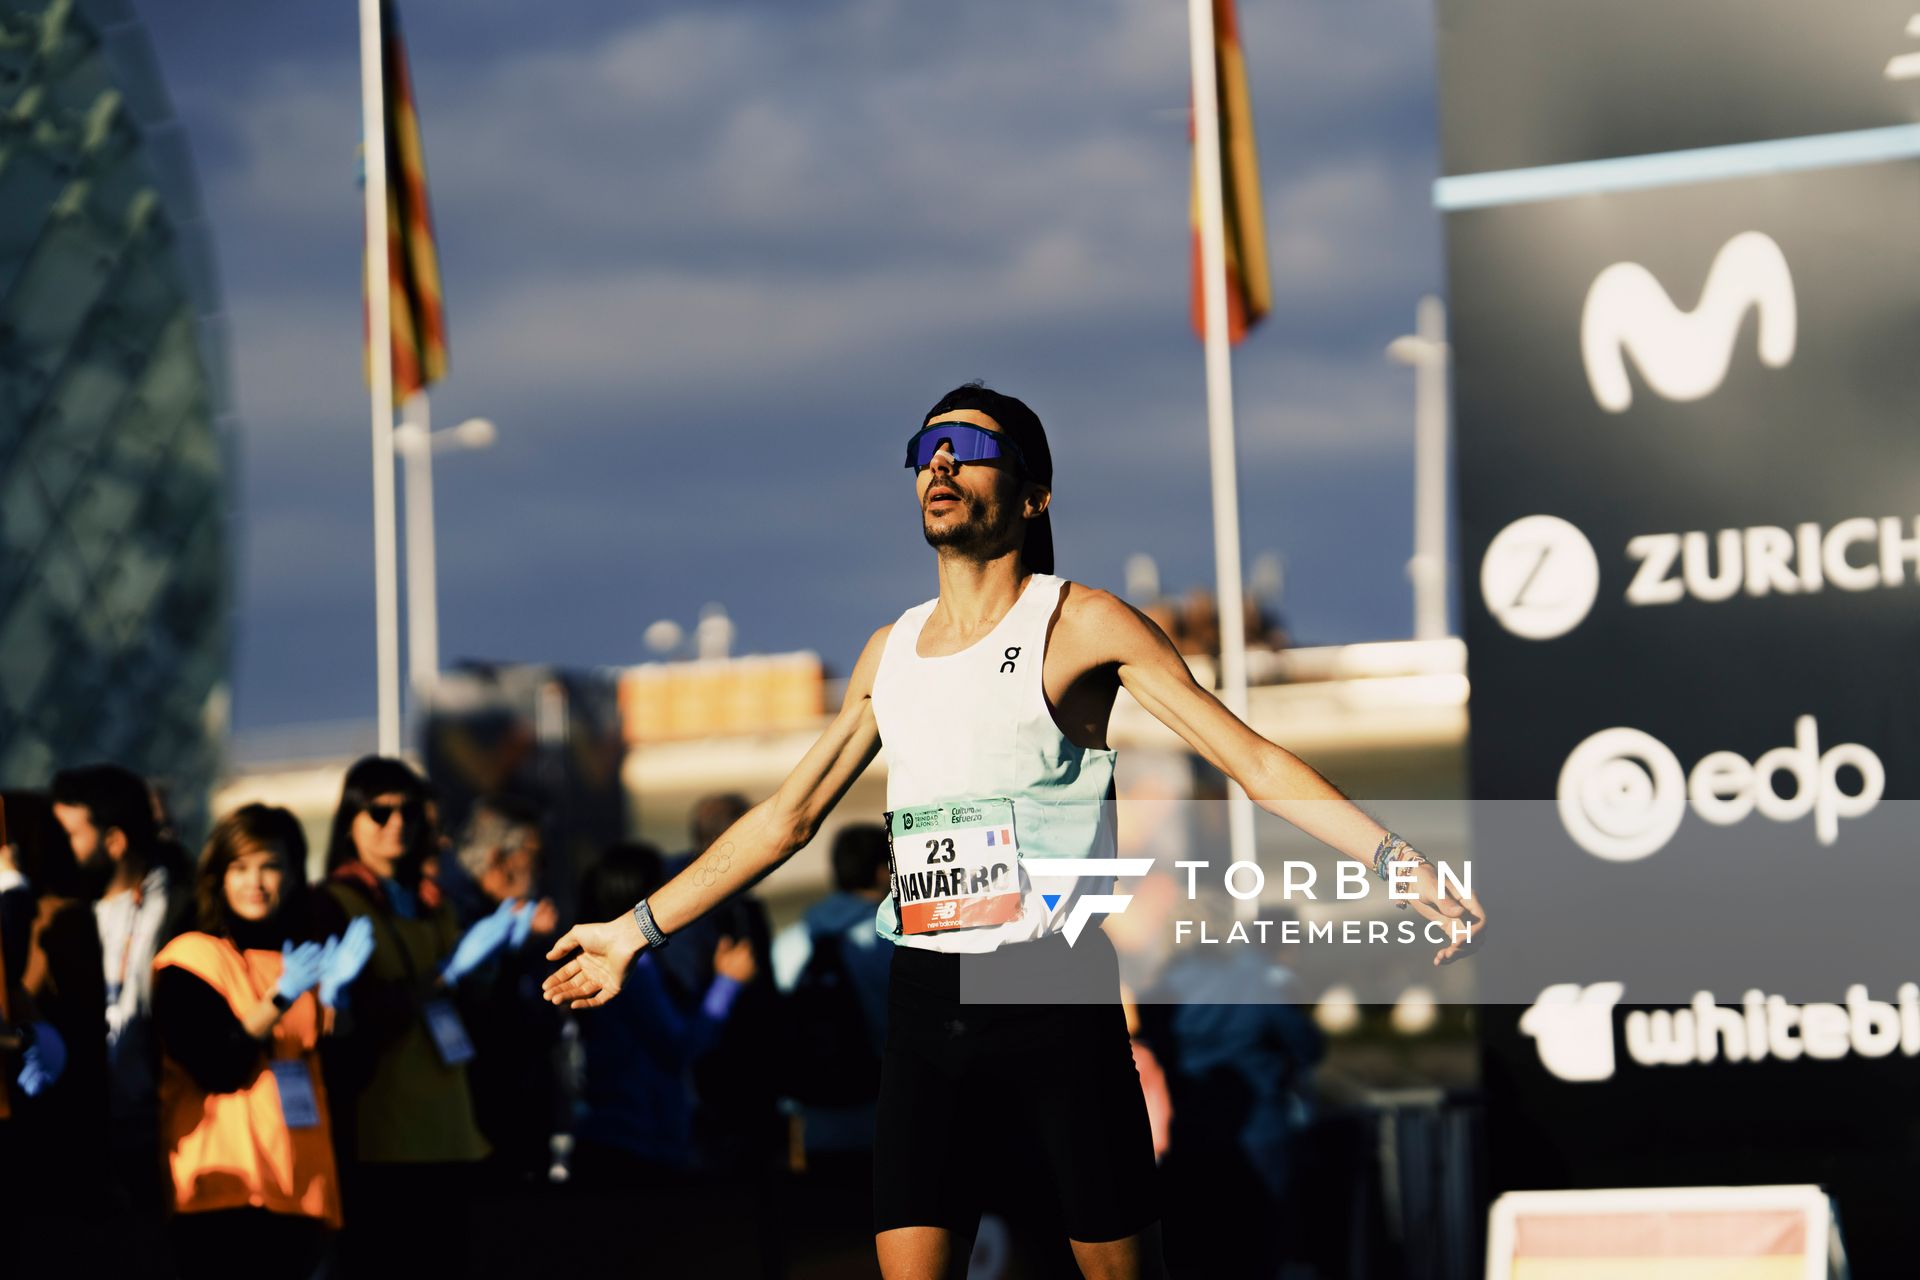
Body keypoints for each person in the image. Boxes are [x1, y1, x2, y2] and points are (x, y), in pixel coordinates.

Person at [545, 383, 1487, 1280]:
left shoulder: (1081, 624)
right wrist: (634, 931)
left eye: (973, 448)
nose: (942, 462)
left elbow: (1250, 759)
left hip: (1052, 988)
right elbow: (787, 818)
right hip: (926, 1001)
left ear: (1033, 495)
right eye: (926, 449)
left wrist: (1392, 858)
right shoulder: (891, 651)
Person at [313, 756, 521, 1278]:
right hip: (382, 1138)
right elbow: (355, 1021)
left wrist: (495, 967)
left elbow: (472, 1010)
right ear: (351, 822)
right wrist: (444, 975)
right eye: (379, 813)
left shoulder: (434, 902)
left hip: (450, 1130)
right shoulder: (333, 903)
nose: (398, 824)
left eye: (408, 811)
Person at [152, 804, 375, 1280]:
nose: (256, 881)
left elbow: (346, 1077)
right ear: (219, 875)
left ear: (294, 875)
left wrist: (341, 1005)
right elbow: (217, 1065)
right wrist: (279, 999)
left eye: (270, 866)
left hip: (300, 1192)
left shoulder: (302, 961)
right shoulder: (189, 959)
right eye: (241, 867)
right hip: (221, 1195)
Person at [51, 763, 192, 1224]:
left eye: (68, 834)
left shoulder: (182, 907)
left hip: (168, 1129)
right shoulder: (61, 917)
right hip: (93, 1134)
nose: (56, 848)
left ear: (114, 841)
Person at [444, 794, 564, 1183]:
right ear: (498, 859)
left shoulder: (518, 921)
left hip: (523, 1109)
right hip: (487, 1116)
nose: (541, 870)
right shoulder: (456, 916)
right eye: (536, 856)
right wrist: (520, 952)